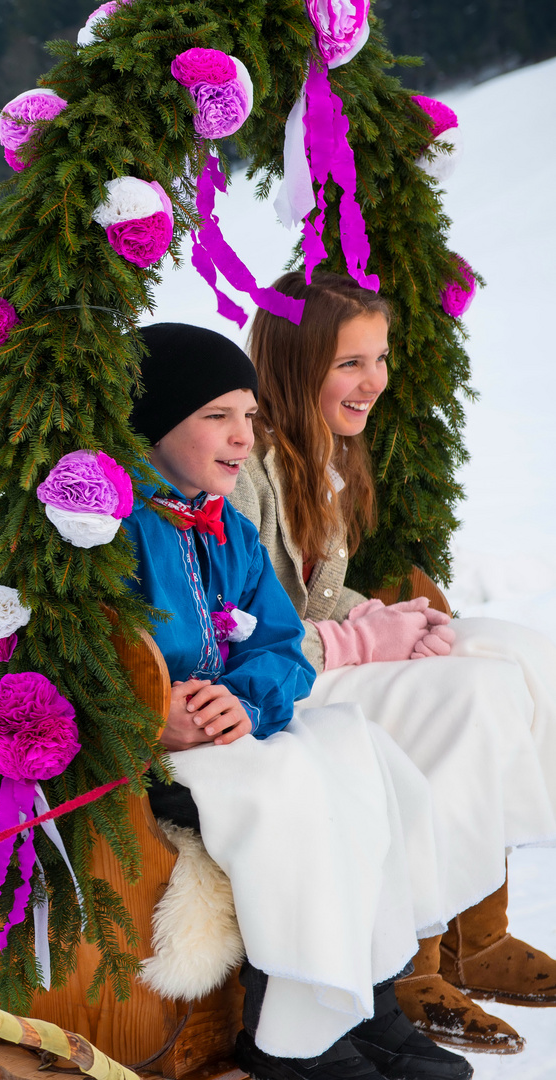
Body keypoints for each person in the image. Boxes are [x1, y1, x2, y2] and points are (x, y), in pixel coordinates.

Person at [117, 324, 466, 1080]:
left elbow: (280, 647)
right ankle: (294, 1041)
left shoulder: (230, 532)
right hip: (163, 759)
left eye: (249, 415)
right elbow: (89, 662)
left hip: (231, 736)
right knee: (292, 790)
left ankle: (369, 998)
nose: (244, 437)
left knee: (361, 755)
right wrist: (152, 717)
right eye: (218, 416)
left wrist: (246, 699)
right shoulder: (112, 535)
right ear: (153, 421)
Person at [236, 271, 556, 1054]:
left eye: (379, 359)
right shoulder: (247, 470)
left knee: (514, 646)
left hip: (319, 656)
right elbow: (253, 626)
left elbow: (316, 594)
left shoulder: (327, 456)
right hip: (284, 683)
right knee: (468, 692)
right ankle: (411, 954)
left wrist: (385, 619)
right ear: (297, 360)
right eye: (350, 362)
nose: (373, 381)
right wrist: (359, 639)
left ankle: (475, 926)